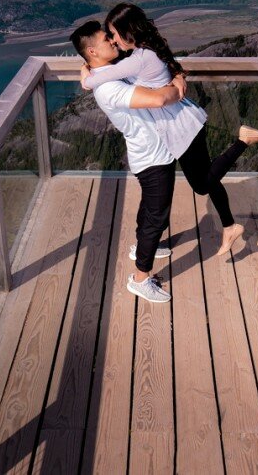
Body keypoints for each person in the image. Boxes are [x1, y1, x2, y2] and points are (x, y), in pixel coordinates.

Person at [81, 2, 258, 257]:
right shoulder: (145, 51)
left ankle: (243, 140)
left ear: (128, 31)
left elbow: (95, 80)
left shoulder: (139, 58)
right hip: (185, 120)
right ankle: (229, 226)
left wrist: (84, 71)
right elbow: (167, 70)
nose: (114, 41)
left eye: (114, 34)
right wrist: (178, 77)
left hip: (181, 128)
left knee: (203, 184)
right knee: (208, 177)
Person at [70, 20, 183, 303]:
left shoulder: (108, 72)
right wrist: (179, 85)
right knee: (156, 215)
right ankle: (141, 278)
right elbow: (158, 100)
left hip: (154, 150)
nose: (112, 40)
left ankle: (144, 246)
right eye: (106, 39)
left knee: (151, 209)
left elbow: (94, 73)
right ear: (93, 51)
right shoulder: (108, 88)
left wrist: (86, 74)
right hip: (151, 155)